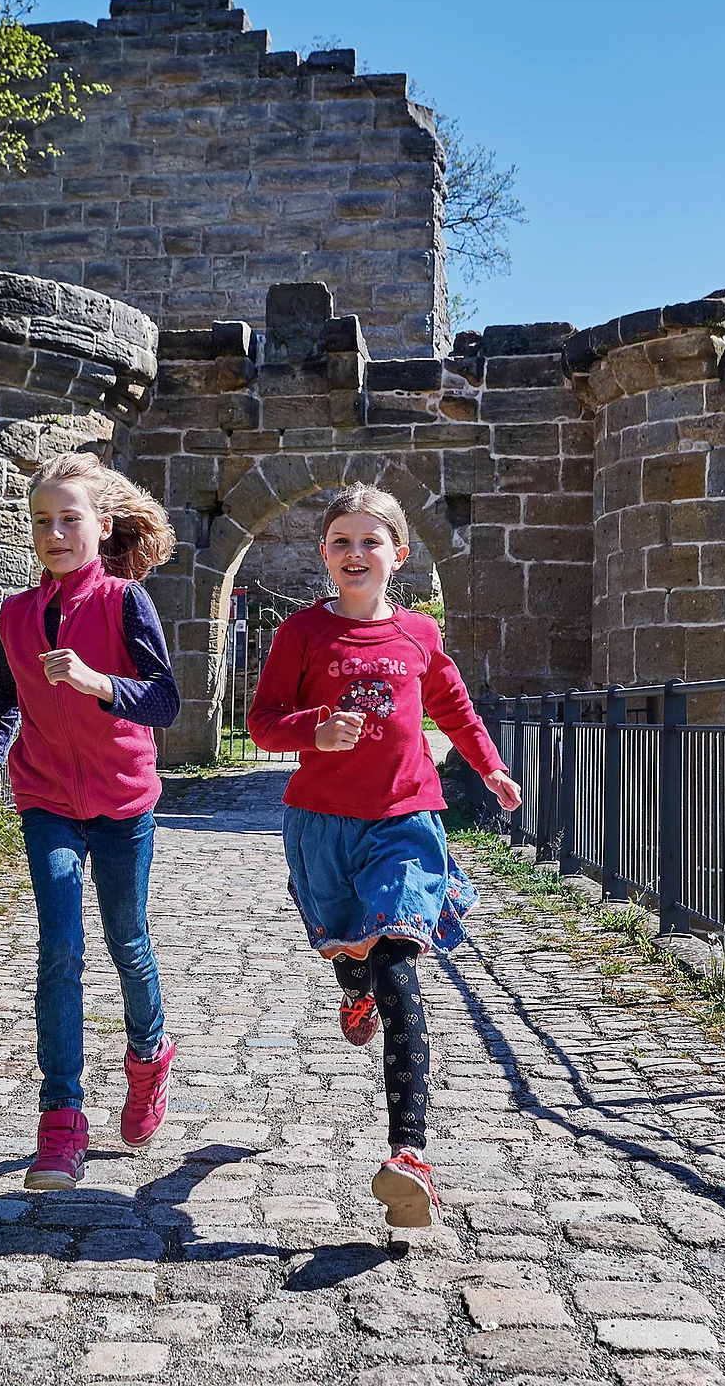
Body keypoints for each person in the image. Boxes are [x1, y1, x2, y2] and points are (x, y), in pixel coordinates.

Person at [246, 484, 524, 1228]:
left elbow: (453, 705)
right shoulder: (301, 635)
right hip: (322, 826)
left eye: (372, 541)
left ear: (399, 555)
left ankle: (410, 1155)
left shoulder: (417, 637)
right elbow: (263, 724)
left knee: (398, 957)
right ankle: (351, 988)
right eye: (342, 540)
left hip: (405, 819)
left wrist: (489, 765)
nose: (356, 552)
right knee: (352, 954)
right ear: (324, 556)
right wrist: (314, 729)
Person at [0, 451, 180, 1190]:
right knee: (60, 948)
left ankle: (149, 1057)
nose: (56, 534)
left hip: (123, 801)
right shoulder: (16, 613)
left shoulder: (125, 603)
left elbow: (163, 701)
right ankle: (62, 1120)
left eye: (70, 520)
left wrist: (98, 684)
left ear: (101, 525)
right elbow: (4, 700)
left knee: (127, 941)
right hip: (46, 797)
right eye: (43, 522)